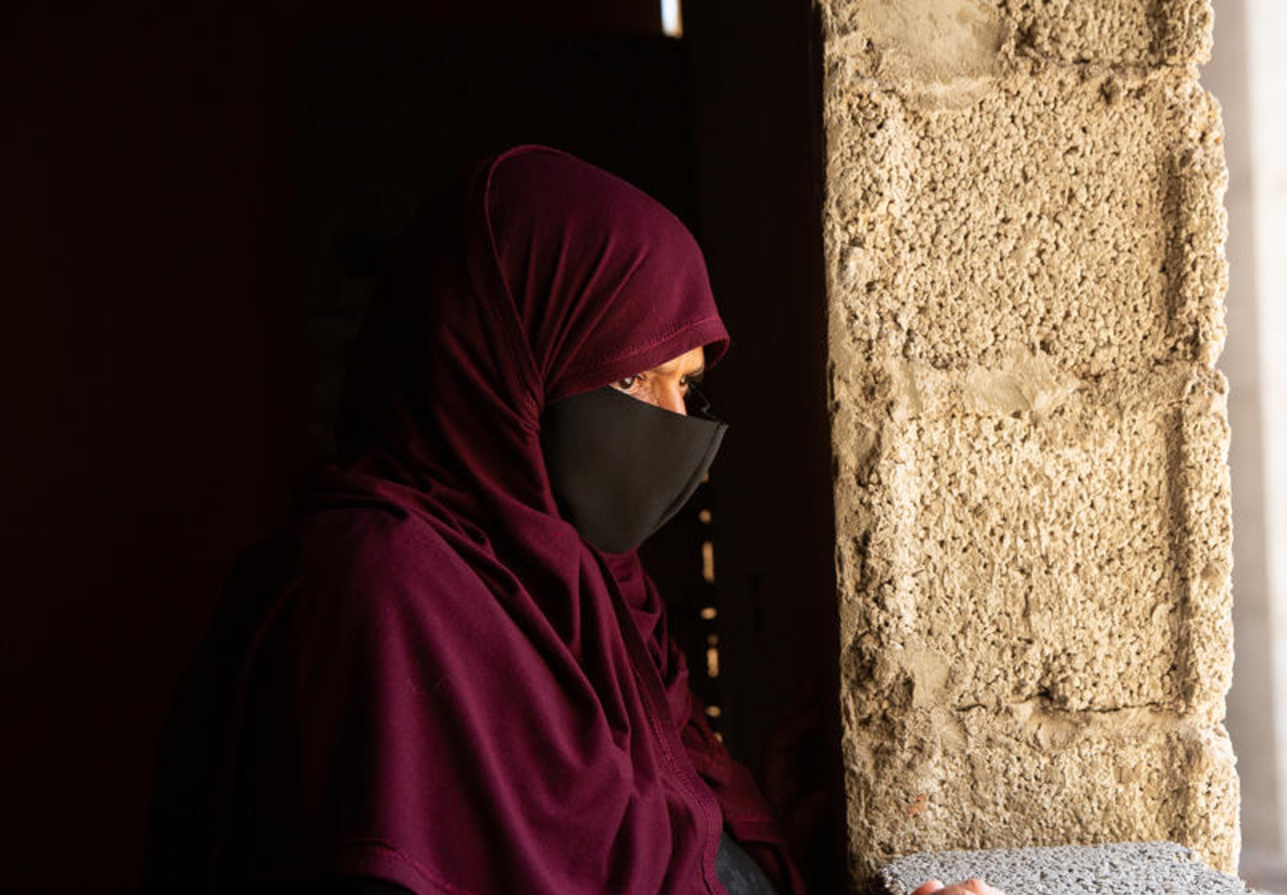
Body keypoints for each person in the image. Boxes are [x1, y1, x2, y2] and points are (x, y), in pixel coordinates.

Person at [142, 146, 1001, 895]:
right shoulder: (379, 594)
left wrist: (740, 823)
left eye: (687, 384)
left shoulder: (588, 591)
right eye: (630, 380)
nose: (673, 421)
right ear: (495, 364)